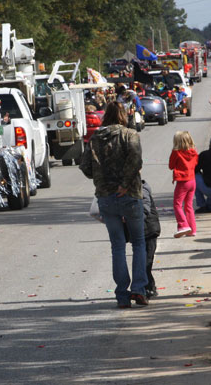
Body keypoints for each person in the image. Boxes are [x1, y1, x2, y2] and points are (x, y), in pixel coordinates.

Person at [80, 102, 148, 308]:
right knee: (138, 242)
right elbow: (136, 160)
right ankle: (139, 289)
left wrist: (101, 178)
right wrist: (125, 185)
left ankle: (121, 294)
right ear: (123, 115)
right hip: (130, 194)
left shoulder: (95, 138)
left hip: (106, 197)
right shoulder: (130, 135)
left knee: (117, 246)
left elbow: (85, 166)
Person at [169, 131, 198, 238]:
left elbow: (171, 166)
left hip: (183, 181)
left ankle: (183, 225)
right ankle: (192, 229)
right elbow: (195, 163)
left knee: (177, 204)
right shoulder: (194, 151)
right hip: (192, 180)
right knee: (188, 205)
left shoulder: (176, 152)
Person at [141, 180, 161, 299]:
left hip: (149, 230)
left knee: (146, 261)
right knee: (143, 260)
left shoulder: (142, 190)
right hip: (142, 231)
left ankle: (149, 287)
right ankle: (146, 286)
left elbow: (144, 209)